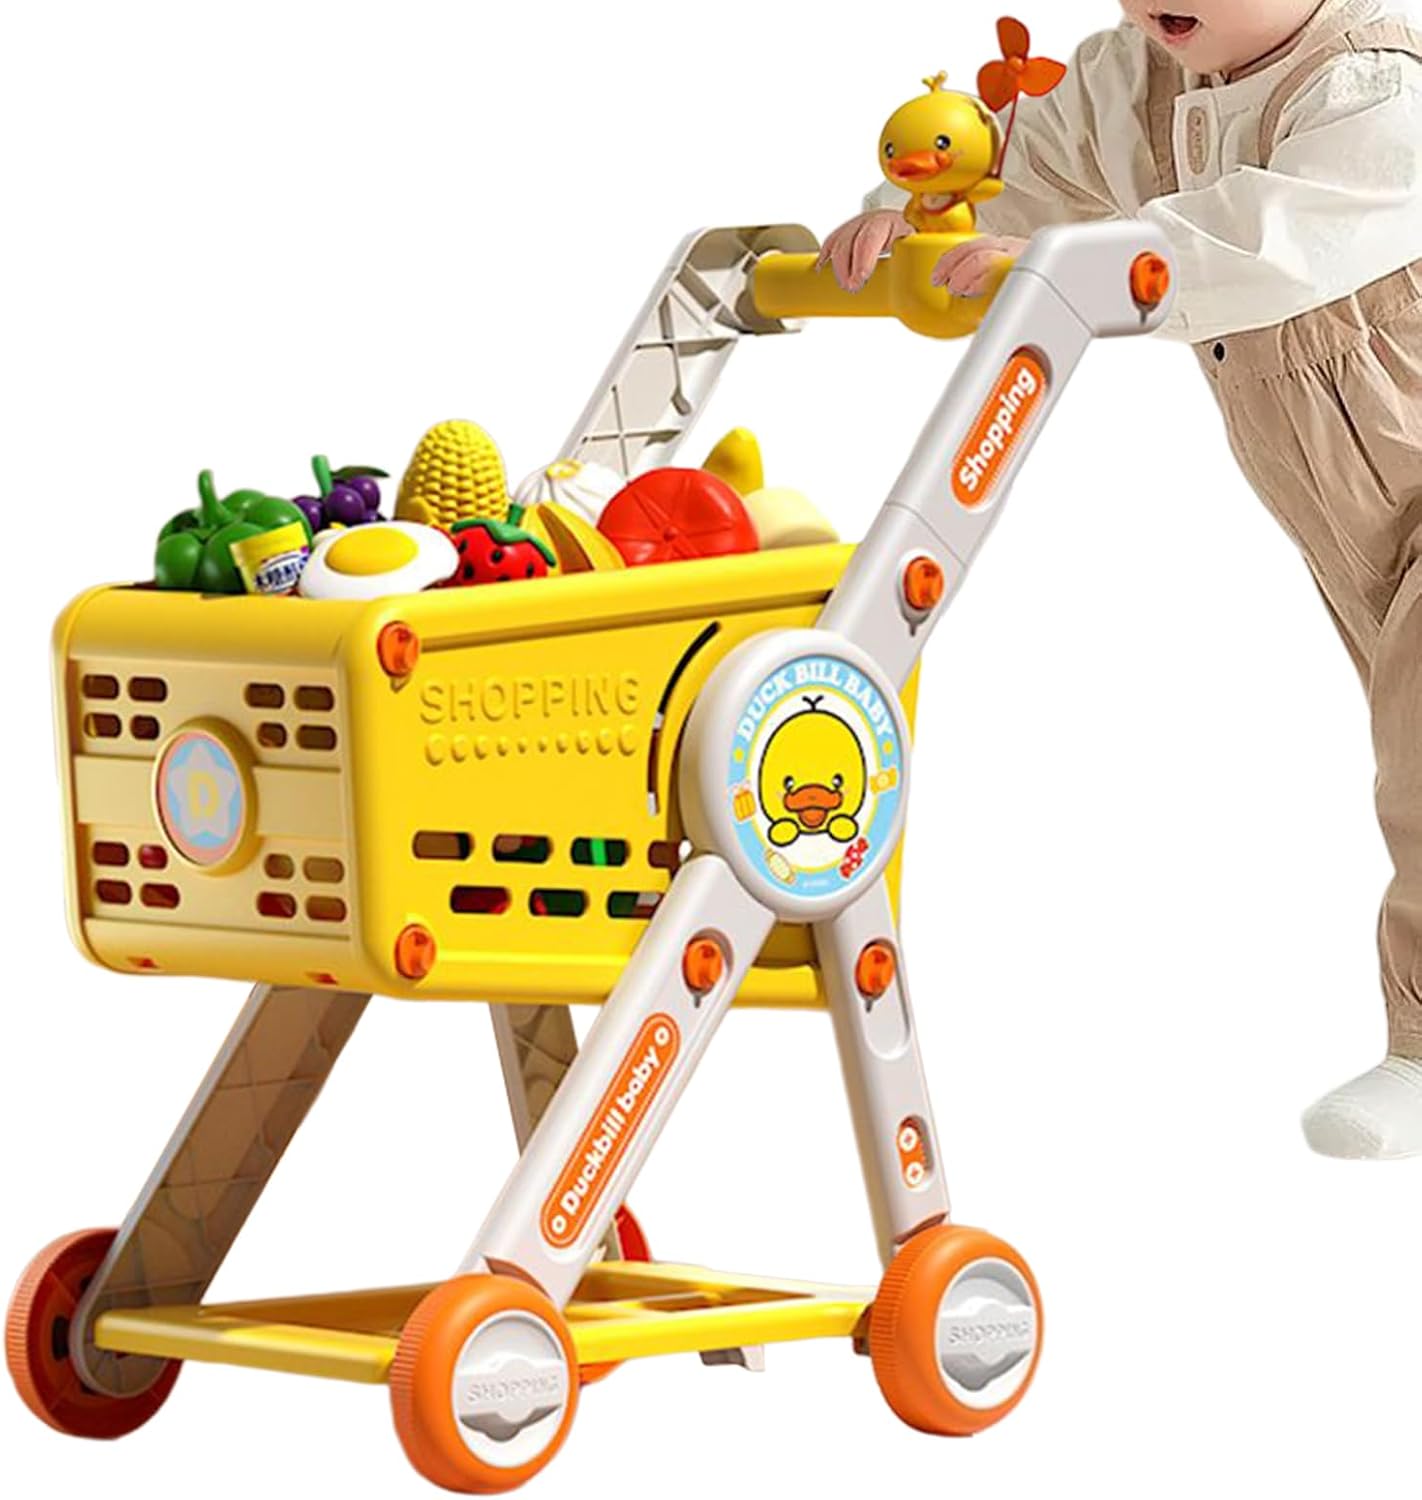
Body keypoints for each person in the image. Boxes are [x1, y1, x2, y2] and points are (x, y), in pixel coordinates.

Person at [819, 0, 1422, 1159]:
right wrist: (918, 223)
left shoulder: (1375, 88)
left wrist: (1081, 267)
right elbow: (1020, 173)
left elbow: (1270, 237)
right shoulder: (1128, 82)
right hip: (1351, 511)